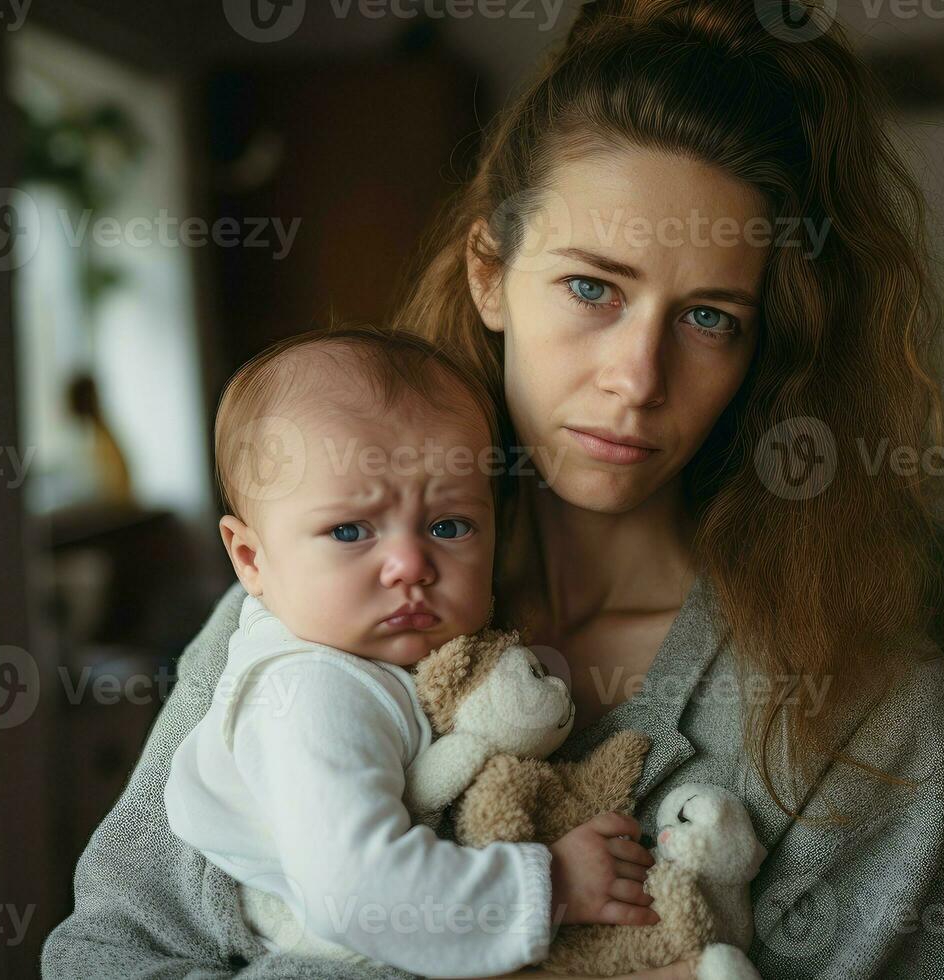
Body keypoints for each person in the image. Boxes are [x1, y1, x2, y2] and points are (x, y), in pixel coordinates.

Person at [43, 2, 944, 977]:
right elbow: (105, 954)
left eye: (708, 316)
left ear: (761, 350)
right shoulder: (312, 599)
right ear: (491, 272)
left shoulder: (865, 701)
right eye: (592, 287)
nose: (637, 375)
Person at [161, 327, 659, 977]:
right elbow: (356, 892)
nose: (410, 565)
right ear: (252, 559)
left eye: (449, 526)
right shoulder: (309, 692)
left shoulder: (375, 654)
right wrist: (554, 884)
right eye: (349, 531)